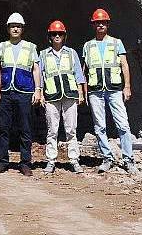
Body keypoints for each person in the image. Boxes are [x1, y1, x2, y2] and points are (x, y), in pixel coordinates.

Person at [82, 8, 137, 174]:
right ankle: (107, 158)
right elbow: (84, 70)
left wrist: (127, 86)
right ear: (94, 25)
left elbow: (124, 65)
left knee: (123, 125)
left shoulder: (116, 42)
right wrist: (84, 92)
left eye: (103, 22)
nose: (100, 25)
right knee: (99, 126)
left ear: (107, 24)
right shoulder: (88, 45)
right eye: (97, 22)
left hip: (114, 90)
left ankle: (128, 159)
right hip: (95, 91)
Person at [0, 12, 41, 176]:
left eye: (18, 26)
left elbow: (36, 69)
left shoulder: (30, 47)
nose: (15, 29)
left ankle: (25, 162)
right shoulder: (1, 46)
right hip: (6, 92)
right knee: (3, 128)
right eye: (13, 26)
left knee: (25, 128)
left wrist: (38, 90)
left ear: (22, 29)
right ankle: (2, 162)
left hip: (24, 92)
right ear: (8, 29)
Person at [39, 20, 86, 174]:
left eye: (60, 33)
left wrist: (80, 93)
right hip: (52, 96)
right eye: (54, 34)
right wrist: (40, 93)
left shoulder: (71, 53)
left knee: (71, 129)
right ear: (50, 37)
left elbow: (78, 74)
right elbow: (40, 76)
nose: (57, 36)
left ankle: (74, 160)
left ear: (64, 36)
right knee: (52, 130)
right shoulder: (43, 54)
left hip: (70, 95)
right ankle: (51, 161)